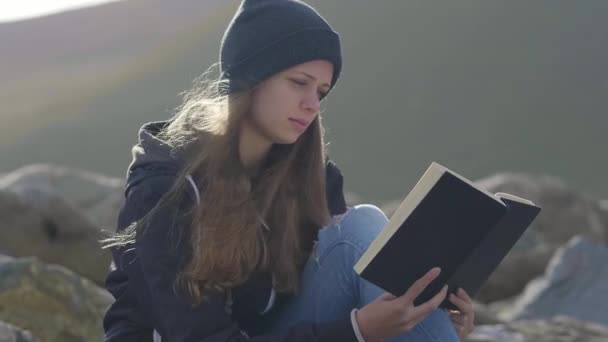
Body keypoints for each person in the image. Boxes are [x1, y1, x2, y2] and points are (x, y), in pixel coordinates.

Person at [101, 0, 476, 341]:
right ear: (252, 75)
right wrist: (357, 331)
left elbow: (337, 301)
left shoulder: (310, 177)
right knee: (362, 233)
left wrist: (426, 317)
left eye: (322, 92)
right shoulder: (167, 185)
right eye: (299, 83)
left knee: (362, 226)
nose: (312, 105)